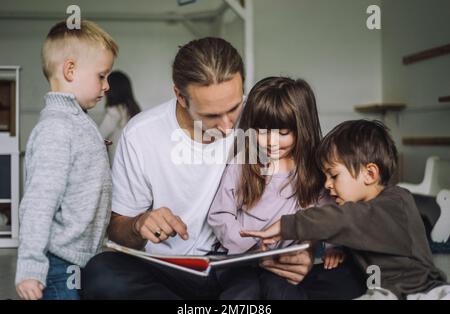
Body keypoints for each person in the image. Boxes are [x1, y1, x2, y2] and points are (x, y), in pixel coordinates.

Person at [82, 37, 337, 300]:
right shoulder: (141, 135)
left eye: (234, 108)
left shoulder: (261, 114)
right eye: (212, 116)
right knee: (101, 275)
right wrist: (138, 224)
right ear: (180, 96)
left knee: (332, 274)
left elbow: (312, 186)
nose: (228, 127)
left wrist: (307, 249)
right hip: (171, 268)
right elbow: (118, 228)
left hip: (243, 265)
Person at [242, 120, 450, 300]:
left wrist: (286, 225)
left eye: (333, 175)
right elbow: (363, 232)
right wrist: (339, 250)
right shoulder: (362, 211)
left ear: (369, 174)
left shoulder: (397, 202)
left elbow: (347, 219)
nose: (327, 185)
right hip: (383, 288)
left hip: (420, 289)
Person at [208, 77, 361, 300]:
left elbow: (327, 213)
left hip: (282, 262)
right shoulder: (243, 165)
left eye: (283, 133)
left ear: (302, 129)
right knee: (243, 293)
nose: (271, 142)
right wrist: (247, 249)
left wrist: (332, 247)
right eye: (262, 131)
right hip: (239, 260)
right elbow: (220, 215)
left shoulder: (313, 172)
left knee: (284, 293)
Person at [15, 20, 118, 300]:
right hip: (59, 263)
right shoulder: (57, 128)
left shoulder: (76, 121)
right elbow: (39, 200)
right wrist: (30, 267)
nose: (107, 85)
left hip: (80, 260)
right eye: (101, 76)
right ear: (70, 70)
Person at [99, 70, 141, 163]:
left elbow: (99, 136)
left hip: (117, 163)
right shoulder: (133, 109)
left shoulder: (114, 111)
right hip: (132, 160)